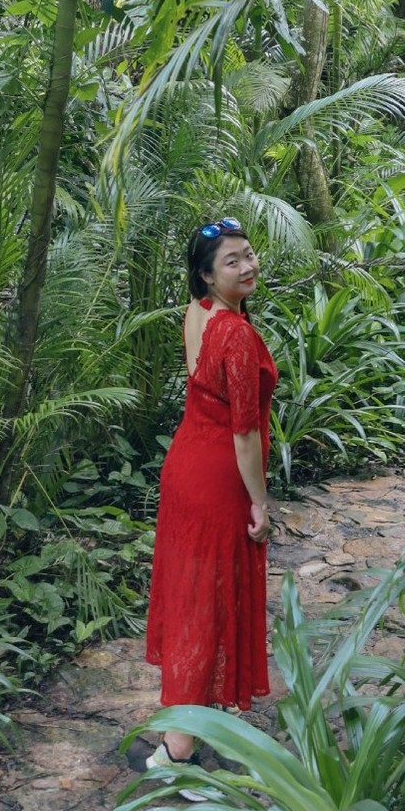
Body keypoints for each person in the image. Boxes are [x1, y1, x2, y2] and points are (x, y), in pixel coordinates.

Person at [144, 216, 279, 770]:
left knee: (192, 597)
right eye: (232, 261)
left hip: (186, 467)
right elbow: (244, 432)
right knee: (208, 605)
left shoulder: (198, 313)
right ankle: (177, 751)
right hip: (219, 479)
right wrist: (260, 503)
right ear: (206, 275)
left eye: (248, 254)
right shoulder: (238, 336)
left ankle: (190, 723)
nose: (247, 266)